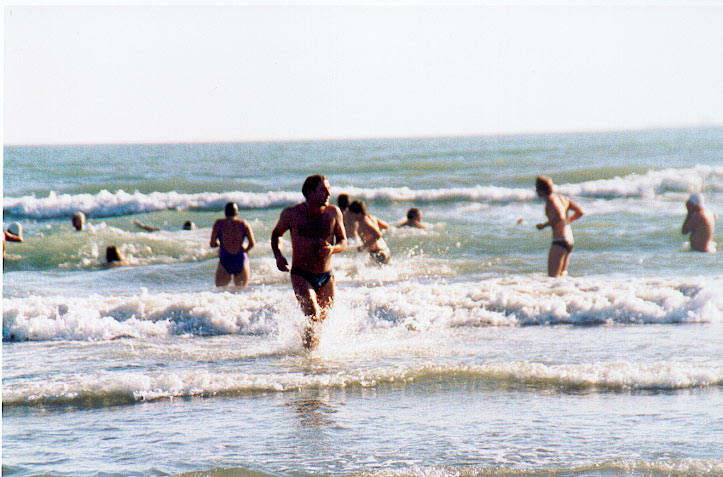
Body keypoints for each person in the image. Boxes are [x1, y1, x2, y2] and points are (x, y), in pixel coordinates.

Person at [271, 175, 347, 348]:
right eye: (323, 190)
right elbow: (276, 234)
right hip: (301, 274)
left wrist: (332, 249)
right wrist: (278, 256)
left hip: (326, 276)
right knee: (313, 314)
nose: (328, 193)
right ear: (309, 193)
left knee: (320, 320)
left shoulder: (334, 213)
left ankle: (309, 351)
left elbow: (343, 241)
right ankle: (309, 357)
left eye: (328, 189)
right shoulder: (292, 214)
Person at [535, 176, 584, 277]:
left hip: (559, 241)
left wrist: (544, 225)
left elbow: (559, 217)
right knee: (562, 277)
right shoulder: (563, 198)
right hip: (569, 241)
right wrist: (567, 222)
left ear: (541, 190)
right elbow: (580, 212)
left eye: (536, 188)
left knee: (553, 278)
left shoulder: (550, 200)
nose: (535, 190)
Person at [210, 202, 256, 287]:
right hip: (240, 258)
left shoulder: (219, 224)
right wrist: (245, 250)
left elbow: (212, 244)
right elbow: (252, 243)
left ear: (225, 213)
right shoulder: (243, 224)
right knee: (241, 292)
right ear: (237, 213)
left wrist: (220, 245)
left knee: (220, 292)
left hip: (225, 258)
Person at [348, 200, 391, 265]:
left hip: (378, 253)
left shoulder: (364, 222)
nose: (350, 216)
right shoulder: (371, 218)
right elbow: (386, 226)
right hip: (384, 250)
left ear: (359, 213)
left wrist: (364, 246)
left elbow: (378, 235)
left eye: (351, 213)